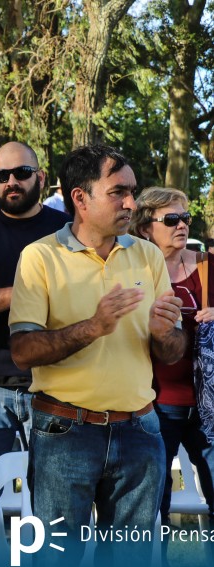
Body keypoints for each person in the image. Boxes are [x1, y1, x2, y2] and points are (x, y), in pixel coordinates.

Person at [9, 145, 186, 566]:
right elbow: (22, 351)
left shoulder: (147, 254)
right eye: (118, 192)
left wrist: (165, 335)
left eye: (133, 191)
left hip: (141, 431)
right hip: (65, 433)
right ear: (80, 198)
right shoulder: (40, 257)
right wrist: (94, 326)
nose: (131, 203)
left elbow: (173, 350)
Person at [0, 142, 69, 565]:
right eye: (1, 176)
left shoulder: (66, 229)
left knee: (51, 493)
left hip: (52, 381)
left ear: (40, 176)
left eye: (20, 172)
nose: (11, 183)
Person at [128, 187, 214, 531]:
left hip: (208, 406)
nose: (182, 226)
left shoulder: (207, 265)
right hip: (156, 403)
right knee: (153, 503)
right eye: (172, 219)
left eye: (186, 218)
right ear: (146, 227)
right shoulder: (133, 271)